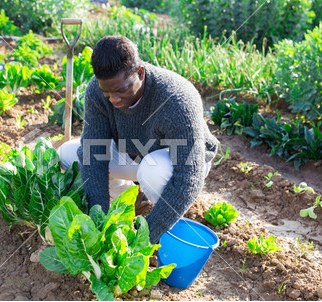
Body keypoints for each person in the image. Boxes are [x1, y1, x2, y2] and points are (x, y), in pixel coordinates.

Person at [58, 35, 218, 244]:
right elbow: (93, 153)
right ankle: (126, 204)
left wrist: (144, 238)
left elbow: (189, 176)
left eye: (121, 90)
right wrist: (98, 221)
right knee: (69, 154)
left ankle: (167, 234)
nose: (114, 99)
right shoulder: (97, 92)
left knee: (152, 172)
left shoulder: (177, 99)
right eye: (107, 92)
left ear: (140, 73)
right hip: (134, 153)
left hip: (181, 161)